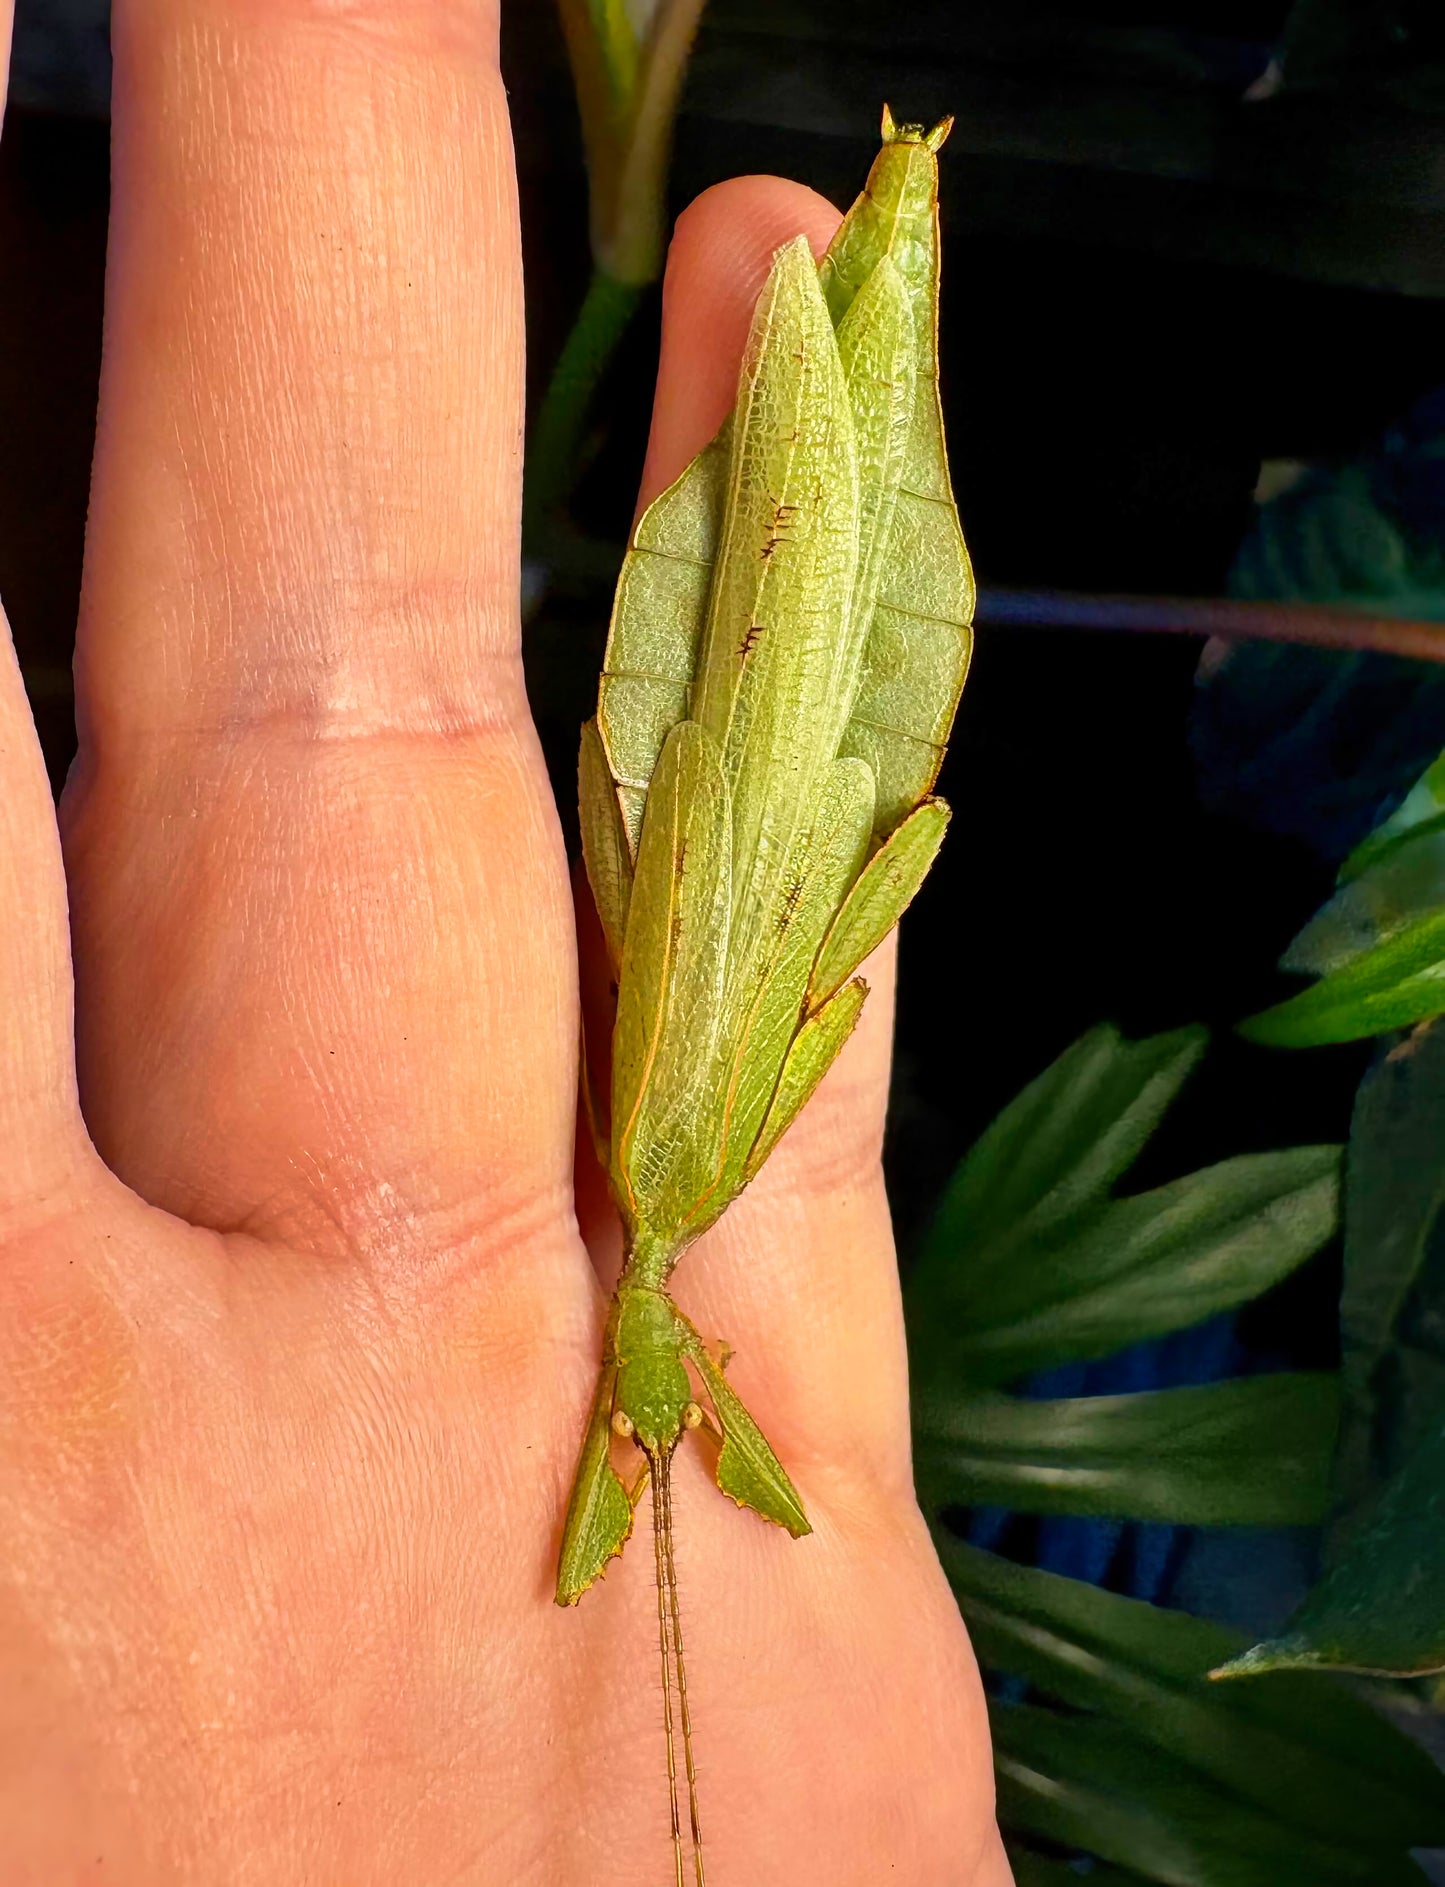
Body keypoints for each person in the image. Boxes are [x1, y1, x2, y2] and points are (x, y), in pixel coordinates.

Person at [0, 3, 1006, 1879]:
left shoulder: (674, 1188)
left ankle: (889, 238)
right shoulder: (680, 1191)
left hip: (774, 784)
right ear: (684, 1413)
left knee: (790, 709)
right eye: (652, 1444)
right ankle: (890, 238)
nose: (640, 1446)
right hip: (770, 779)